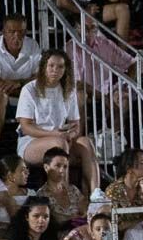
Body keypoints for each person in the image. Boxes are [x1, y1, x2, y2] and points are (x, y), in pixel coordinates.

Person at [15, 49, 100, 194]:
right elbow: (26, 127)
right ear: (43, 67)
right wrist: (53, 134)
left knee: (86, 142)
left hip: (61, 139)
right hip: (32, 141)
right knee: (58, 143)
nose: (55, 70)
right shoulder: (29, 89)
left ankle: (96, 194)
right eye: (51, 66)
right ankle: (64, 193)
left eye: (60, 66)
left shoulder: (69, 90)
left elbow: (76, 125)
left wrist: (71, 135)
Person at [0, 14, 38, 161]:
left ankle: (34, 150)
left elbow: (39, 80)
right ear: (3, 31)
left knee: (43, 94)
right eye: (12, 31)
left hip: (22, 98)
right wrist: (26, 86)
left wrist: (18, 83)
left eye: (21, 32)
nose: (17, 35)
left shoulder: (32, 45)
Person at [35, 147, 87, 228]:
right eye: (58, 166)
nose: (62, 170)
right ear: (46, 167)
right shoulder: (41, 195)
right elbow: (52, 221)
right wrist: (73, 218)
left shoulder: (73, 190)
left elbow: (85, 211)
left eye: (65, 166)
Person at [104, 148, 143, 233]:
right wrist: (142, 222)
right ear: (129, 168)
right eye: (142, 163)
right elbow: (115, 225)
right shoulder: (113, 191)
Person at [0, 154, 31, 227]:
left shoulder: (31, 194)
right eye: (23, 170)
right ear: (10, 175)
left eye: (27, 169)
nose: (28, 173)